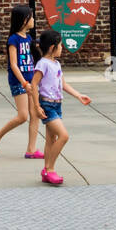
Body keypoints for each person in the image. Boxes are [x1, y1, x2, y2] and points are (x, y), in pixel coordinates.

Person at [29, 28, 92, 185]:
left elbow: (63, 84)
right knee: (64, 136)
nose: (62, 48)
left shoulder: (56, 64)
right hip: (47, 105)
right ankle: (50, 169)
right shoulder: (43, 64)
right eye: (61, 45)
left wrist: (78, 95)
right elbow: (33, 84)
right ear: (52, 48)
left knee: (51, 138)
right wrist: (37, 107)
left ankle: (46, 170)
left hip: (57, 105)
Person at [0, 5, 43, 159]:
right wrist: (24, 83)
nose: (33, 20)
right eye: (31, 17)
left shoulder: (29, 38)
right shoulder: (14, 39)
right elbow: (13, 64)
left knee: (35, 114)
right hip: (19, 81)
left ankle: (31, 150)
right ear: (24, 20)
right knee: (23, 116)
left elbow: (33, 59)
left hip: (31, 81)